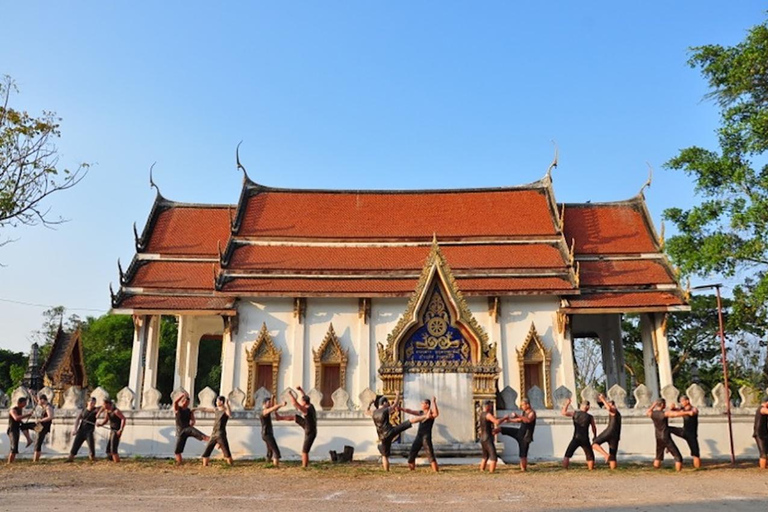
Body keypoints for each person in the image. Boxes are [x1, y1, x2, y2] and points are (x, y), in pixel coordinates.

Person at [366, 391, 412, 471]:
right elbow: (395, 405)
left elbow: (366, 411)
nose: (388, 404)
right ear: (384, 403)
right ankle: (418, 419)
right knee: (408, 423)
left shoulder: (374, 412)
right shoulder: (385, 410)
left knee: (384, 455)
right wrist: (397, 395)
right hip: (390, 431)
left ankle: (386, 470)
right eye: (387, 403)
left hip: (381, 436)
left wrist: (370, 404)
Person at [495, 397, 537, 471]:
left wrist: (518, 415)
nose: (522, 407)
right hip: (520, 432)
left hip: (525, 436)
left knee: (523, 454)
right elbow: (520, 420)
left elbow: (528, 420)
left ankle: (523, 469)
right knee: (503, 429)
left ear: (528, 405)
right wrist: (510, 420)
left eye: (523, 405)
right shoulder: (524, 413)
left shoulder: (532, 413)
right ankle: (492, 432)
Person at [400, 396, 440, 472]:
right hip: (419, 436)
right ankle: (412, 470)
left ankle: (436, 471)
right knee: (412, 453)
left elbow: (436, 414)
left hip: (426, 437)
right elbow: (410, 411)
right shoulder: (421, 413)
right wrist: (401, 409)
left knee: (430, 454)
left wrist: (434, 402)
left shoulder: (430, 414)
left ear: (427, 405)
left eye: (423, 403)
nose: (421, 405)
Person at [282, 385, 317, 468]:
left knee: (304, 451)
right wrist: (301, 390)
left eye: (302, 401)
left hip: (309, 430)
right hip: (307, 425)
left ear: (304, 402)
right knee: (295, 417)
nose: (301, 402)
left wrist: (290, 394)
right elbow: (304, 397)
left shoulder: (306, 410)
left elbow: (295, 404)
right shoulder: (310, 405)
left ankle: (304, 466)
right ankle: (280, 418)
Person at [646, 399, 685, 472]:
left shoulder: (653, 414)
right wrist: (687, 413)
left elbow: (648, 412)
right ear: (662, 405)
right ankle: (678, 471)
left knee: (658, 455)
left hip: (658, 436)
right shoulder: (664, 414)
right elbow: (675, 414)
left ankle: (655, 470)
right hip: (665, 436)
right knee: (677, 455)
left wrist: (653, 405)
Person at [172, 391, 209, 465]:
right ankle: (179, 462)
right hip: (181, 431)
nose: (186, 403)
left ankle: (215, 441)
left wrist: (192, 415)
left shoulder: (188, 410)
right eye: (185, 401)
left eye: (187, 402)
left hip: (188, 429)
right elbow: (175, 402)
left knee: (203, 436)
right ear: (182, 401)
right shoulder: (178, 409)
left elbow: (193, 421)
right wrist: (182, 395)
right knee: (177, 451)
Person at [561, 397, 596, 470]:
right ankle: (591, 469)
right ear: (588, 407)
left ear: (581, 406)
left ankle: (565, 468)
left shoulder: (575, 413)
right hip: (585, 438)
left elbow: (563, 413)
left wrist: (567, 404)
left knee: (567, 454)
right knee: (590, 456)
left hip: (576, 437)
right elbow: (594, 427)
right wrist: (595, 436)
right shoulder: (590, 417)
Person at [669, 395, 701, 469]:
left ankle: (698, 468)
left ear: (687, 401)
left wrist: (686, 412)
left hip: (692, 434)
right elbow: (674, 411)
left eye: (682, 401)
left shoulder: (693, 409)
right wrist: (672, 408)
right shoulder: (682, 409)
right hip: (684, 431)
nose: (681, 403)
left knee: (695, 453)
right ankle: (668, 445)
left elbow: (694, 412)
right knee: (668, 429)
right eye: (680, 402)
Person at [591, 393, 622, 469]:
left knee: (594, 444)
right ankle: (613, 470)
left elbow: (609, 408)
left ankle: (605, 455)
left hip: (609, 432)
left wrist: (603, 399)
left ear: (612, 404)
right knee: (613, 456)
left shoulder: (614, 410)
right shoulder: (618, 413)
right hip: (616, 435)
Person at [201, 396, 233, 466]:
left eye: (217, 401)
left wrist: (227, 405)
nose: (216, 402)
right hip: (214, 433)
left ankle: (230, 464)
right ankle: (205, 465)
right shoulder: (216, 410)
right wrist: (196, 409)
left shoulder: (225, 411)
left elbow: (230, 414)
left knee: (226, 450)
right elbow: (206, 409)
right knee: (208, 449)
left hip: (221, 433)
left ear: (221, 402)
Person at [66, 397, 101, 462]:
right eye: (91, 402)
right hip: (81, 431)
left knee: (91, 449)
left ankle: (92, 458)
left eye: (94, 403)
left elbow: (103, 407)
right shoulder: (83, 410)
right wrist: (75, 429)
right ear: (87, 402)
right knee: (74, 447)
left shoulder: (96, 410)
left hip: (89, 432)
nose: (92, 404)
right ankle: (70, 459)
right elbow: (77, 419)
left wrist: (98, 420)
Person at [478, 400, 505, 473]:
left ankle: (482, 469)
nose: (491, 407)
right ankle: (491, 471)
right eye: (490, 406)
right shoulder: (487, 415)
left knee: (485, 456)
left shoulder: (481, 414)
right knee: (493, 456)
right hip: (487, 437)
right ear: (487, 406)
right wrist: (504, 418)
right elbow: (497, 422)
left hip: (483, 437)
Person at [261, 396, 287, 467]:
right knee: (276, 450)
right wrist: (281, 404)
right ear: (264, 403)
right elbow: (273, 408)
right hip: (267, 434)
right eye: (268, 402)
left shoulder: (267, 410)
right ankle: (275, 466)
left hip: (266, 433)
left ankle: (268, 463)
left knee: (270, 450)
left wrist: (273, 399)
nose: (270, 404)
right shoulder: (264, 411)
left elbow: (274, 407)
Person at [6, 396, 34, 464]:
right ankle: (9, 463)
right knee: (14, 447)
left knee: (15, 447)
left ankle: (29, 439)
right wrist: (27, 415)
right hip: (12, 430)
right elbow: (16, 418)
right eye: (24, 403)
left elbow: (19, 420)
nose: (25, 404)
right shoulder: (13, 410)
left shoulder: (20, 409)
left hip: (17, 428)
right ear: (20, 403)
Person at [32, 393, 55, 462]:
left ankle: (35, 460)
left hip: (43, 426)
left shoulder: (48, 407)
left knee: (38, 442)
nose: (38, 401)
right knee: (36, 441)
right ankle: (35, 458)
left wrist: (40, 420)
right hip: (40, 425)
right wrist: (32, 395)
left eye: (39, 400)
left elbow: (50, 417)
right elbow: (37, 402)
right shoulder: (44, 406)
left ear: (42, 400)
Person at [754, 396, 768, 470]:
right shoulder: (762, 409)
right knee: (763, 452)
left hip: (764, 432)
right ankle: (762, 468)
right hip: (759, 434)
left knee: (766, 451)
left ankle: (765, 466)